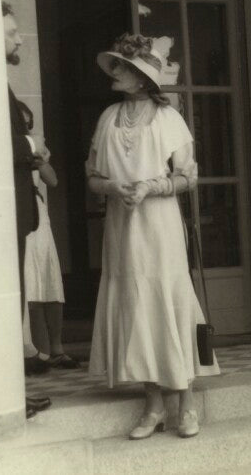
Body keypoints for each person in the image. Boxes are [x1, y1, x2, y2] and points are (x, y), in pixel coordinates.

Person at [85, 33, 219, 440]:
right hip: (122, 227)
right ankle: (153, 405)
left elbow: (187, 177)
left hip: (158, 224)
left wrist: (149, 188)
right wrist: (113, 189)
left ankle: (186, 405)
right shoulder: (108, 117)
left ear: (143, 78)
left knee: (166, 301)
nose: (115, 71)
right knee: (134, 304)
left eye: (122, 67)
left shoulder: (168, 119)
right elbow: (92, 176)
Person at [3, 1, 51, 418]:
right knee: (4, 307)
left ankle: (11, 394)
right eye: (11, 31)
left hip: (12, 214)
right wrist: (35, 148)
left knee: (12, 304)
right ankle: (6, 398)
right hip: (0, 216)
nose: (20, 37)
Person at [18, 102, 79, 369]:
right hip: (18, 212)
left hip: (38, 214)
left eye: (28, 123)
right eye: (21, 122)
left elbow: (52, 180)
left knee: (49, 277)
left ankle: (56, 348)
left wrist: (40, 161)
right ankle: (38, 350)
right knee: (29, 280)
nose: (26, 127)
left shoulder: (37, 148)